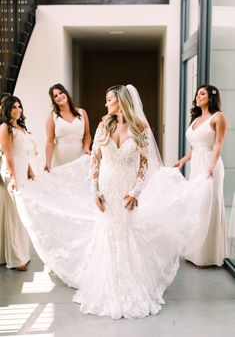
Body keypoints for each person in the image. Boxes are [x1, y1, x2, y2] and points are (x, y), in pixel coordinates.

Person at [15, 85, 213, 319]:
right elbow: (95, 161)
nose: (106, 103)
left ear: (121, 101)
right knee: (107, 233)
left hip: (127, 190)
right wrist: (94, 191)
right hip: (107, 189)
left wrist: (136, 192)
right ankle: (106, 287)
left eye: (109, 99)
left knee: (126, 232)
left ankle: (129, 287)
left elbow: (144, 163)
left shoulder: (139, 127)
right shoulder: (103, 126)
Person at [174, 84, 227, 267]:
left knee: (208, 206)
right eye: (197, 94)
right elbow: (195, 147)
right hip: (196, 164)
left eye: (202, 93)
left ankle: (209, 255)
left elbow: (218, 144)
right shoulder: (196, 118)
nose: (198, 96)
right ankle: (195, 253)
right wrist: (183, 160)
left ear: (212, 96)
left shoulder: (218, 117)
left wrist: (212, 165)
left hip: (210, 165)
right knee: (196, 207)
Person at [0, 95, 35, 271]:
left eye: (19, 106)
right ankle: (15, 259)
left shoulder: (20, 127)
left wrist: (29, 169)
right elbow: (8, 154)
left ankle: (21, 253)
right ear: (7, 109)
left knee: (21, 213)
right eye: (13, 107)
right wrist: (13, 176)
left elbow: (23, 152)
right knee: (15, 213)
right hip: (11, 171)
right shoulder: (5, 128)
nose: (17, 110)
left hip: (22, 169)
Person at [44, 83, 91, 172]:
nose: (59, 96)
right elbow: (50, 141)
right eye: (55, 96)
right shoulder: (52, 116)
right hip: (60, 160)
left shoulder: (82, 112)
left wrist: (86, 148)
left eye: (61, 93)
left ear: (66, 93)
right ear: (53, 100)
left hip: (79, 157)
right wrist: (48, 162)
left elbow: (87, 135)